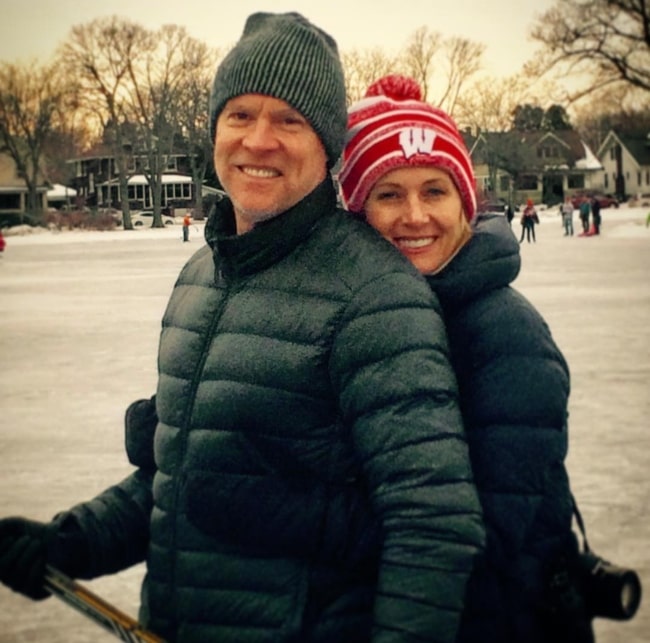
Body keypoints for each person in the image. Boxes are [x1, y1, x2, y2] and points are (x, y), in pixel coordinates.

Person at [0, 15, 485, 643]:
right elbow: (181, 480)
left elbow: (433, 523)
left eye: (290, 120)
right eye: (239, 116)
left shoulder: (375, 295)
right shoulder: (201, 276)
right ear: (214, 132)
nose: (259, 140)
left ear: (328, 146)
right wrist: (69, 543)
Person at [339, 74, 594, 643]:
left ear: (463, 202)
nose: (414, 215)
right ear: (356, 211)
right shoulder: (367, 319)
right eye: (388, 193)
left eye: (434, 190)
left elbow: (484, 534)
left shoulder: (505, 333)